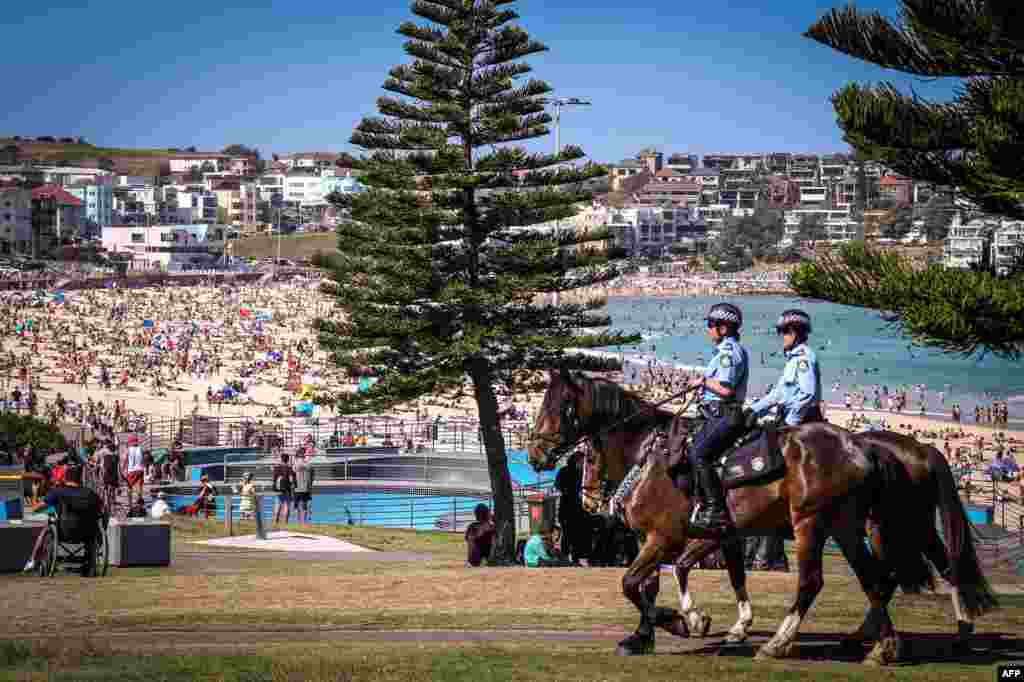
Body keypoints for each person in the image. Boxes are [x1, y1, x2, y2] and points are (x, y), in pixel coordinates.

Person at [669, 302, 749, 535]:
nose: (708, 329)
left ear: (723, 328)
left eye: (711, 324)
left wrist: (702, 382)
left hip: (724, 413)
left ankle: (715, 510)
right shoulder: (724, 351)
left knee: (698, 453)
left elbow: (725, 390)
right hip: (712, 413)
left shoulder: (728, 353)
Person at [746, 309, 823, 427]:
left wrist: (790, 422)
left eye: (785, 331)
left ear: (796, 334)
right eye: (780, 331)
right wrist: (754, 410)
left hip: (803, 420)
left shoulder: (804, 358)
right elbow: (780, 392)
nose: (782, 336)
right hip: (787, 415)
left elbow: (807, 393)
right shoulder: (793, 359)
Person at [23, 465, 103, 574]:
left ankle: (32, 560)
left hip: (64, 531)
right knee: (94, 527)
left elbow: (35, 509)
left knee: (47, 526)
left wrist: (35, 493)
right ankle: (89, 561)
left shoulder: (57, 491)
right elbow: (101, 512)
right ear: (80, 478)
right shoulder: (91, 493)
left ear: (65, 478)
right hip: (88, 533)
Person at [554, 450, 586, 564]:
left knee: (572, 533)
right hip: (570, 506)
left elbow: (557, 485)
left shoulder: (579, 472)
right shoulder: (574, 472)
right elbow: (558, 485)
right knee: (570, 533)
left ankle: (570, 557)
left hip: (571, 506)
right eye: (581, 460)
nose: (583, 463)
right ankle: (569, 557)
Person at [272, 453, 296, 526]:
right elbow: (291, 480)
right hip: (287, 489)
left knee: (277, 505)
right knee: (286, 506)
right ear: (287, 460)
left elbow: (274, 479)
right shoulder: (289, 468)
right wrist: (292, 488)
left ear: (281, 459)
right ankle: (285, 523)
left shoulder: (277, 468)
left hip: (278, 489)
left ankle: (275, 522)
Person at [293, 455, 315, 524]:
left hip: (297, 489)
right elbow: (312, 478)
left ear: (297, 458)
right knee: (304, 506)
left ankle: (298, 521)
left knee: (296, 506)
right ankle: (304, 522)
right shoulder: (309, 466)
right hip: (306, 488)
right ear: (304, 458)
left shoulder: (295, 466)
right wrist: (310, 485)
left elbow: (292, 476)